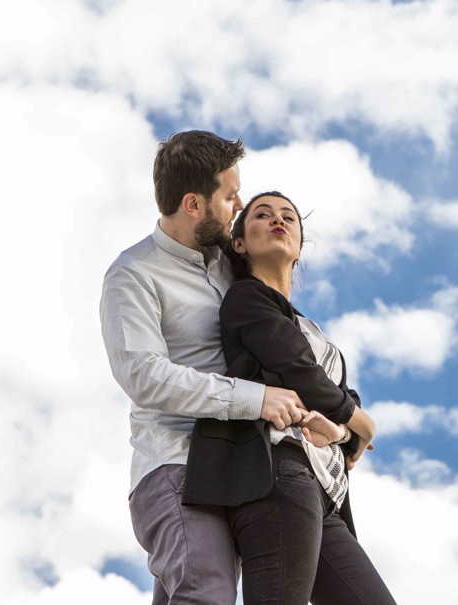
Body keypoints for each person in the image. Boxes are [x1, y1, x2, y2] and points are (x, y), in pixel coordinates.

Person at [100, 132, 308, 605]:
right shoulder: (132, 275)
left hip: (236, 468)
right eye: (229, 196)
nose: (240, 205)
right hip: (175, 464)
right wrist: (255, 398)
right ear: (193, 204)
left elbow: (280, 336)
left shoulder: (231, 264)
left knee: (195, 592)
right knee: (206, 592)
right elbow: (144, 376)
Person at [183, 191, 397, 605]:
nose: (278, 220)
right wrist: (364, 424)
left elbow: (336, 395)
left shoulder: (307, 326)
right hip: (277, 473)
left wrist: (342, 429)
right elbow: (298, 369)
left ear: (299, 247)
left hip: (324, 492)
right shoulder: (247, 298)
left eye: (288, 217)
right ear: (239, 243)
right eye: (262, 215)